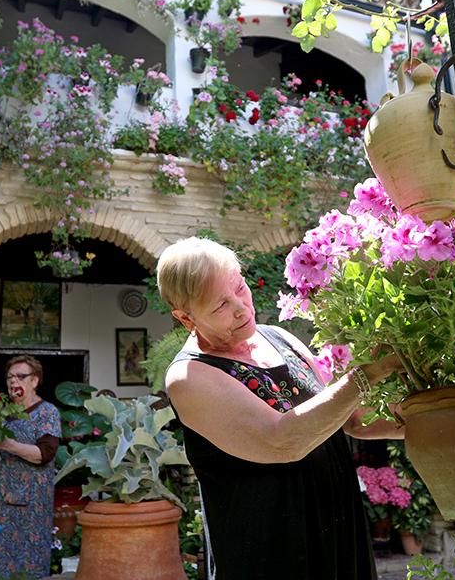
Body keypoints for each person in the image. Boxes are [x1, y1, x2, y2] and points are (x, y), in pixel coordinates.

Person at [158, 237, 404, 580]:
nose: (242, 308)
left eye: (240, 289)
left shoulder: (281, 338)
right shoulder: (189, 377)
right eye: (220, 306)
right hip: (270, 552)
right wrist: (369, 373)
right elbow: (283, 441)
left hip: (336, 529)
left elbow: (353, 420)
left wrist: (428, 419)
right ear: (186, 318)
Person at [0, 355, 61, 579]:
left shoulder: (47, 413)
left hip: (25, 508)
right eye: (9, 377)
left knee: (22, 567)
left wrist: (10, 445)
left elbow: (44, 454)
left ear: (34, 381)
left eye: (20, 376)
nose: (13, 381)